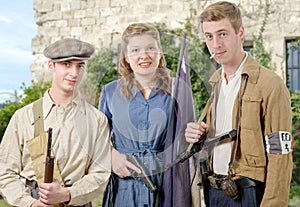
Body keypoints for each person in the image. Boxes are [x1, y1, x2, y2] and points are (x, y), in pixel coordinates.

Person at [185, 1, 293, 207]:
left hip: (249, 195)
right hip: (214, 193)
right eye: (209, 36)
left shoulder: (270, 84)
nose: (215, 44)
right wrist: (199, 136)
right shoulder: (216, 84)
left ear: (240, 32)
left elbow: (280, 153)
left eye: (222, 34)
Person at [0, 38, 111, 207]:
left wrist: (67, 194)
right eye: (66, 64)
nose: (74, 73)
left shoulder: (97, 120)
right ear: (51, 65)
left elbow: (101, 173)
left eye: (80, 65)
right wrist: (30, 203)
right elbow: (5, 172)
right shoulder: (24, 117)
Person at [98, 23, 193, 207]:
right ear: (126, 57)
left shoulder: (178, 89)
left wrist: (197, 134)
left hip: (167, 183)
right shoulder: (109, 92)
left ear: (160, 52)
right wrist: (110, 155)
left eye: (150, 48)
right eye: (135, 50)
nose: (144, 55)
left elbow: (188, 142)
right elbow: (96, 139)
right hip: (124, 188)